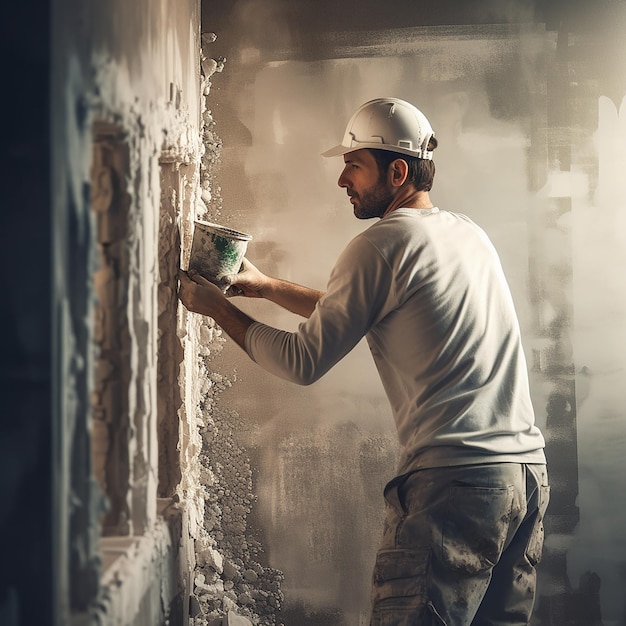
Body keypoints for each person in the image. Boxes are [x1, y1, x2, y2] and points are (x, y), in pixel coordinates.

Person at [178, 97, 550, 626]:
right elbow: (367, 312)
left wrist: (217, 308)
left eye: (353, 165)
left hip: (455, 485)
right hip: (524, 481)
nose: (342, 180)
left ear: (396, 171)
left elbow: (303, 361)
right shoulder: (468, 235)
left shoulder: (379, 245)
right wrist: (260, 287)